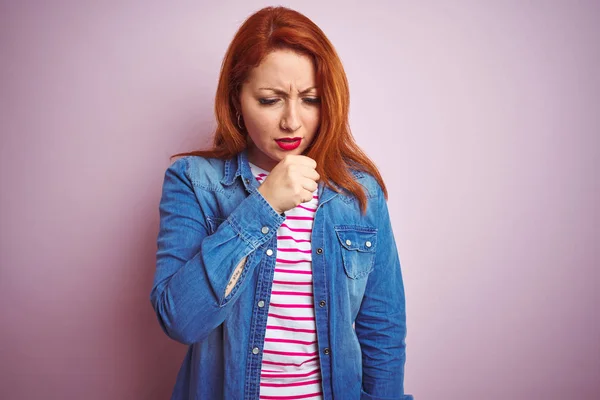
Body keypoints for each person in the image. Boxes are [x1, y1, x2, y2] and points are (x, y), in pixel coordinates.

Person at [151, 6, 413, 400]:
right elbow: (180, 320)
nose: (292, 121)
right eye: (271, 100)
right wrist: (264, 205)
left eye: (310, 99)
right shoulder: (194, 181)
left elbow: (383, 332)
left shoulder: (360, 192)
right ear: (238, 99)